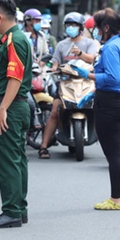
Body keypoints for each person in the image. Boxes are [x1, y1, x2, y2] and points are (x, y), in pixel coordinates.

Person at [71, 8, 120, 210]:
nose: (95, 31)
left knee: (114, 154)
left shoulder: (110, 48)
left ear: (106, 28)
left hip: (110, 105)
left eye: (97, 28)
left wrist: (86, 76)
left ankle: (115, 199)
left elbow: (113, 77)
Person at [0, 0, 32, 229]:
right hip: (18, 105)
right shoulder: (16, 38)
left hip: (10, 105)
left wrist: (2, 109)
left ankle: (11, 211)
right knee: (18, 159)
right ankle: (19, 209)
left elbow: (14, 77)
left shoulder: (13, 39)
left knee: (8, 161)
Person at [37, 12, 98, 159]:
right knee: (54, 112)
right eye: (69, 25)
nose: (71, 28)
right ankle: (43, 147)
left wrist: (80, 53)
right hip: (66, 83)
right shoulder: (61, 45)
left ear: (81, 27)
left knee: (99, 108)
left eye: (74, 25)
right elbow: (55, 61)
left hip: (85, 82)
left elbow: (91, 58)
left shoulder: (89, 43)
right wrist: (53, 67)